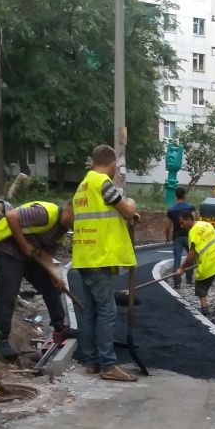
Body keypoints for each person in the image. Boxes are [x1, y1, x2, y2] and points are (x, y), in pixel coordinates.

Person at [72, 144, 140, 382]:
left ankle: (91, 360)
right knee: (107, 311)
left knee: (91, 311)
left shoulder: (83, 186)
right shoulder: (103, 183)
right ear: (112, 165)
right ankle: (108, 365)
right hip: (99, 257)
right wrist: (131, 206)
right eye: (116, 168)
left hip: (84, 256)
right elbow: (126, 210)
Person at [0, 198, 74, 359]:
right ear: (72, 212)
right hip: (9, 251)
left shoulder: (61, 232)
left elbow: (45, 254)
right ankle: (2, 339)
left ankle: (60, 328)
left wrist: (54, 275)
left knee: (51, 288)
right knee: (8, 293)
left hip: (30, 256)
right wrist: (23, 244)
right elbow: (11, 216)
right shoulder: (46, 213)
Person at [175, 211, 215, 316]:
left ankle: (204, 308)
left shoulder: (193, 233)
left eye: (182, 223)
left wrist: (182, 268)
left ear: (190, 219)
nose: (181, 226)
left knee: (200, 285)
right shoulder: (205, 224)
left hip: (209, 263)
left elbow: (191, 254)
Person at [164, 187, 194, 290]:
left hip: (177, 236)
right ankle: (189, 279)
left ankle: (177, 283)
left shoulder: (171, 210)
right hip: (189, 235)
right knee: (191, 256)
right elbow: (195, 221)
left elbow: (167, 226)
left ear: (176, 196)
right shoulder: (190, 208)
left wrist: (167, 237)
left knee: (177, 258)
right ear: (185, 195)